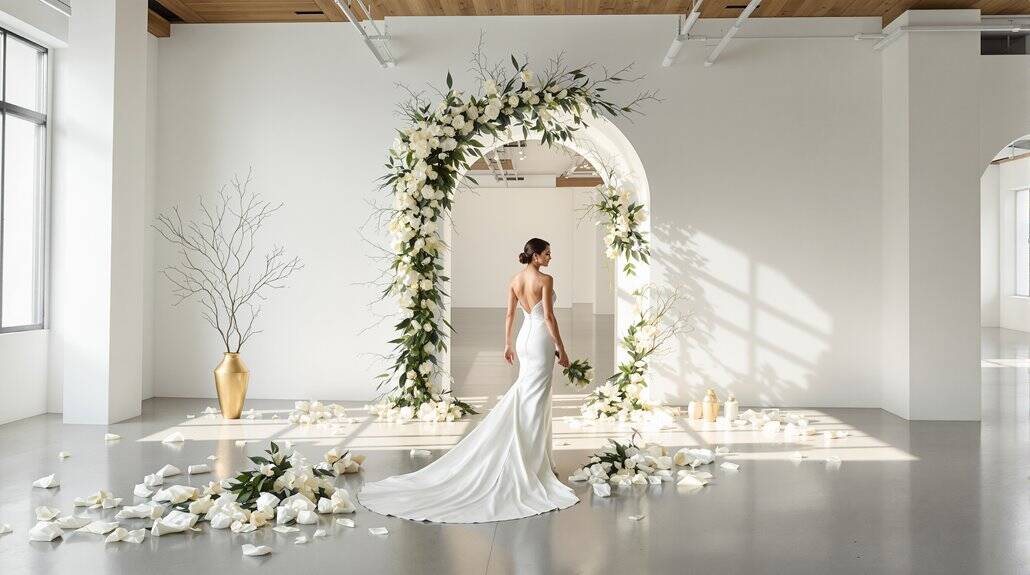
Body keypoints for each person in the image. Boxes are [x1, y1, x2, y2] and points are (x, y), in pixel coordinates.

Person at [358, 238, 580, 523]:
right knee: (536, 401)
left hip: (523, 340)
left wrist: (507, 344)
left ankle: (537, 458)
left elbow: (510, 314)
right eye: (547, 253)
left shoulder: (515, 280)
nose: (550, 257)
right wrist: (561, 347)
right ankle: (532, 464)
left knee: (528, 397)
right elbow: (548, 316)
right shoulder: (545, 280)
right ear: (535, 256)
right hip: (539, 340)